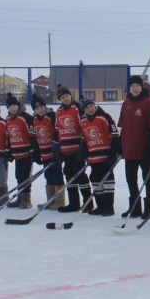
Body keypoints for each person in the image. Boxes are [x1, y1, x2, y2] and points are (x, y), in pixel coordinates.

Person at [118, 75, 150, 219]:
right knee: (131, 179)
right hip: (129, 149)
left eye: (137, 85)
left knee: (147, 179)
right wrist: (120, 146)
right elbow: (123, 127)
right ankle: (135, 208)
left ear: (141, 87)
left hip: (144, 150)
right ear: (129, 88)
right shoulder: (126, 104)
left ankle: (149, 209)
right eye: (132, 86)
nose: (135, 88)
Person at [79, 96, 121, 216]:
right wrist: (84, 150)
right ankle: (100, 206)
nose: (90, 109)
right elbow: (84, 138)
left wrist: (113, 153)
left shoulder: (104, 117)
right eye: (87, 107)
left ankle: (109, 207)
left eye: (91, 105)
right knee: (95, 179)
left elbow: (114, 136)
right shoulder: (83, 121)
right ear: (84, 110)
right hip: (93, 156)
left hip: (106, 156)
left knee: (107, 180)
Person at [55, 84, 91, 213]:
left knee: (80, 174)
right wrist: (57, 147)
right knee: (69, 174)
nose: (66, 99)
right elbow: (58, 130)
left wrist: (83, 144)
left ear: (71, 95)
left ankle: (88, 202)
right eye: (63, 97)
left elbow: (84, 125)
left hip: (78, 148)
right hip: (66, 149)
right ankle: (74, 203)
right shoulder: (59, 111)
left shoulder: (78, 108)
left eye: (67, 96)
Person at [31, 94, 65, 210]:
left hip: (54, 152)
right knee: (48, 176)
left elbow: (57, 132)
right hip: (44, 153)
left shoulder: (52, 116)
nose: (40, 110)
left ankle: (60, 201)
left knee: (57, 174)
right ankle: (51, 201)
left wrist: (57, 148)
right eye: (37, 108)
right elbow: (35, 136)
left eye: (41, 107)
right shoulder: (34, 119)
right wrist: (36, 152)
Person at [5, 93, 37, 209]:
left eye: (14, 105)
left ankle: (26, 200)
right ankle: (20, 198)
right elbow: (8, 136)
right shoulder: (8, 119)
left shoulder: (25, 117)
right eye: (10, 106)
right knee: (18, 176)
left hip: (27, 152)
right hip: (16, 153)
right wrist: (8, 150)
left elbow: (32, 134)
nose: (13, 108)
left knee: (25, 176)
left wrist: (33, 149)